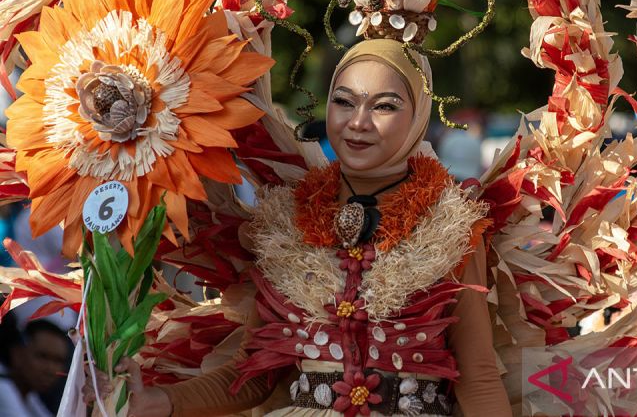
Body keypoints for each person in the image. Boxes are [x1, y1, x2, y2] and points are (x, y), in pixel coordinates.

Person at [85, 39, 513, 417]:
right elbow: (252, 374)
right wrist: (159, 402)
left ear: (418, 115)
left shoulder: (450, 226)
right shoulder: (283, 223)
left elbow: (477, 378)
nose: (358, 122)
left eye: (384, 106)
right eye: (344, 101)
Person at [0, 317, 70, 417]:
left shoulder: (30, 396)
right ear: (17, 354)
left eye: (58, 361)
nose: (50, 369)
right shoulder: (3, 388)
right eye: (42, 356)